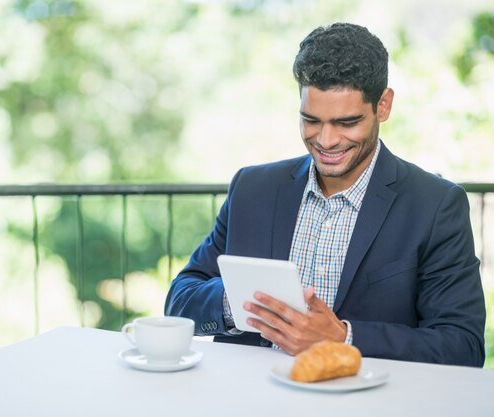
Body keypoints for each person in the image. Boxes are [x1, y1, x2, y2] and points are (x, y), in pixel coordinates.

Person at [164, 23, 486, 366]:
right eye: (311, 120)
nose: (326, 140)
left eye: (347, 123)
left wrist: (342, 338)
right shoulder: (252, 188)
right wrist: (240, 302)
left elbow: (461, 346)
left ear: (383, 106)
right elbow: (180, 301)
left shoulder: (434, 205)